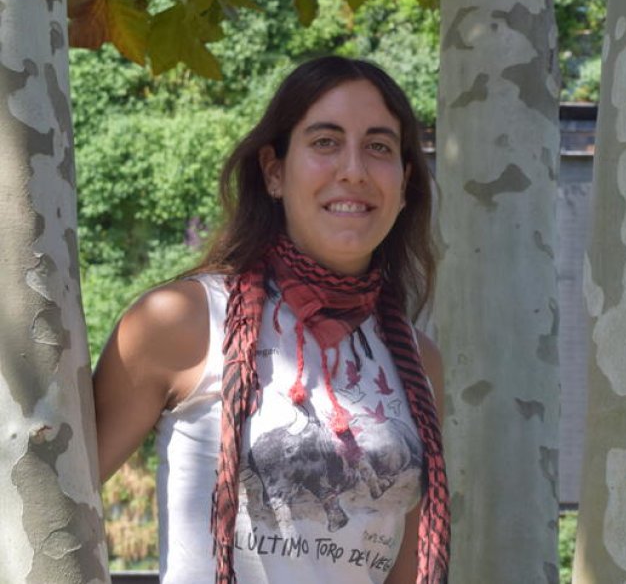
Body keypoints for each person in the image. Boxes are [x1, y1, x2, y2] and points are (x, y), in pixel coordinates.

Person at [93, 56, 449, 584]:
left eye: (379, 147)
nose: (353, 169)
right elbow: (50, 505)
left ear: (403, 183)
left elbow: (408, 568)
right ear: (275, 171)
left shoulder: (419, 362)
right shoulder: (181, 321)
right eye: (325, 142)